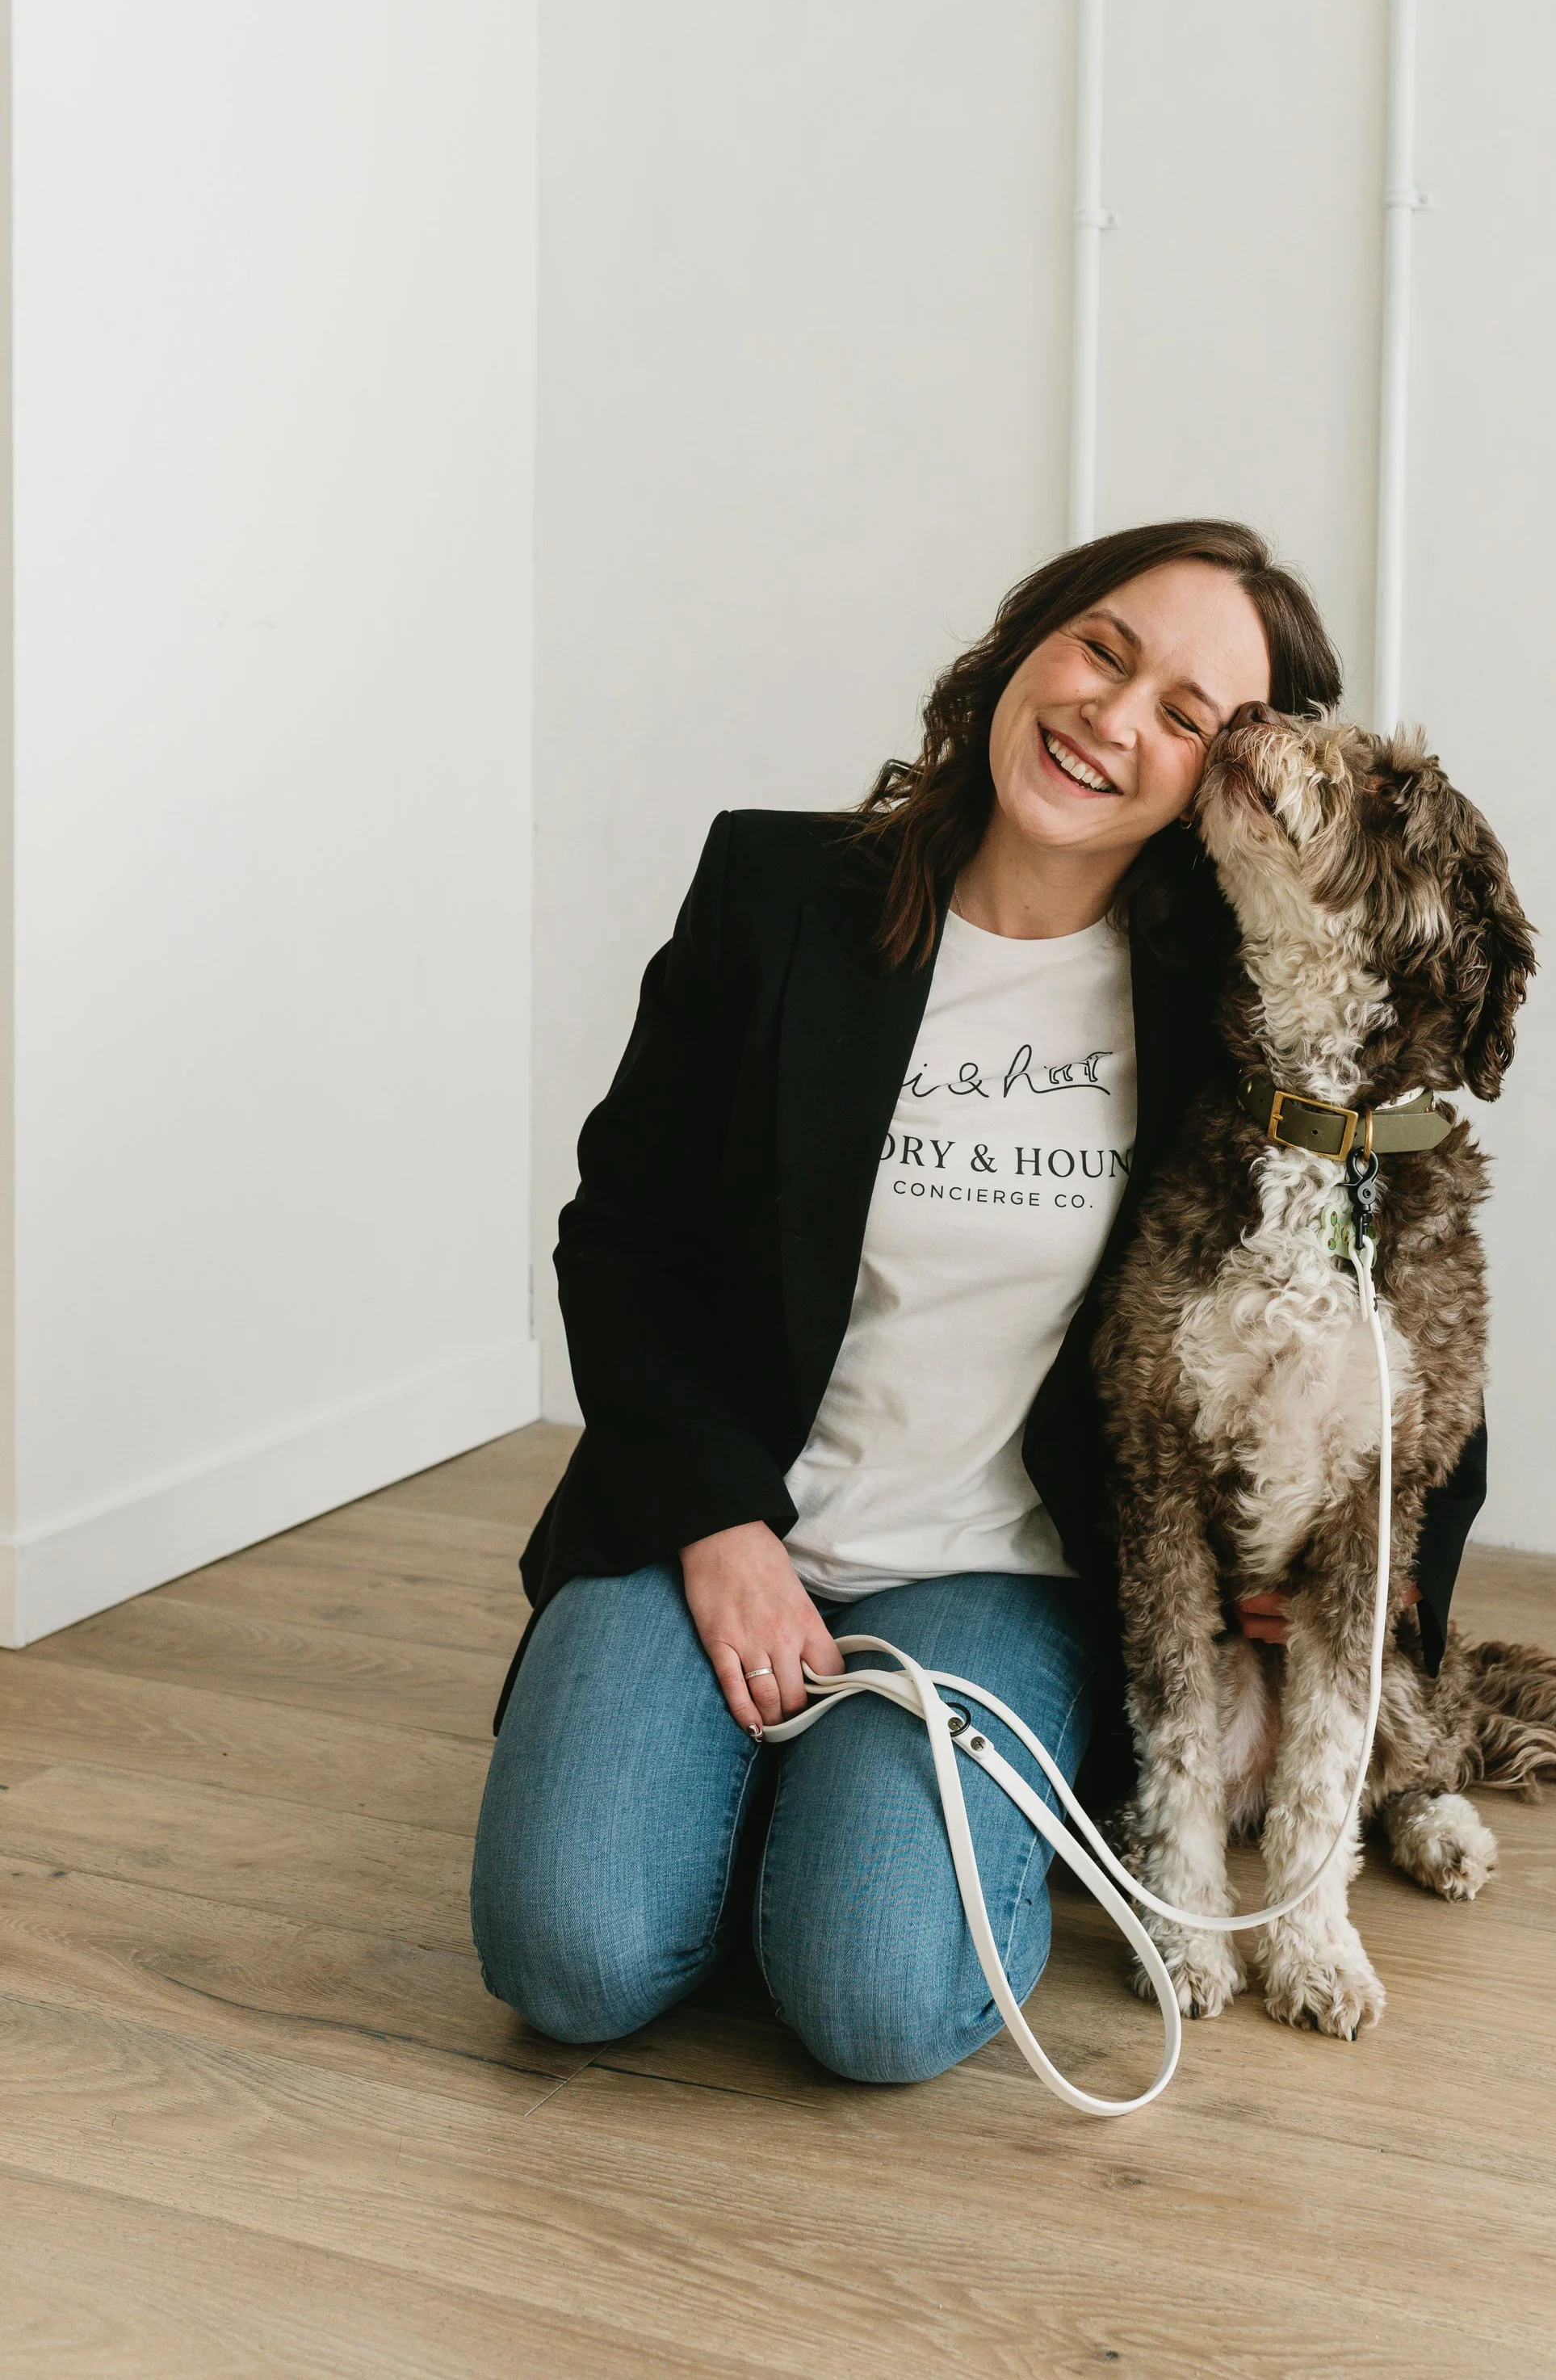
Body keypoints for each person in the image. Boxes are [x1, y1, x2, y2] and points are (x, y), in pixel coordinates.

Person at [470, 519, 1488, 2081]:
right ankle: (747, 1801)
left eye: (1188, 713)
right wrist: (718, 1525)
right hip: (718, 1521)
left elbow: (1395, 1274)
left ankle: (832, 1830)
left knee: (875, 2005)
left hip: (1002, 1570)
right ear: (1028, 640)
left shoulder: (1226, 989)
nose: (1114, 717)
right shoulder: (774, 888)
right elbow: (620, 1233)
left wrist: (1381, 1593)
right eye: (1103, 648)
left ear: (1221, 773)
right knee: (569, 1958)